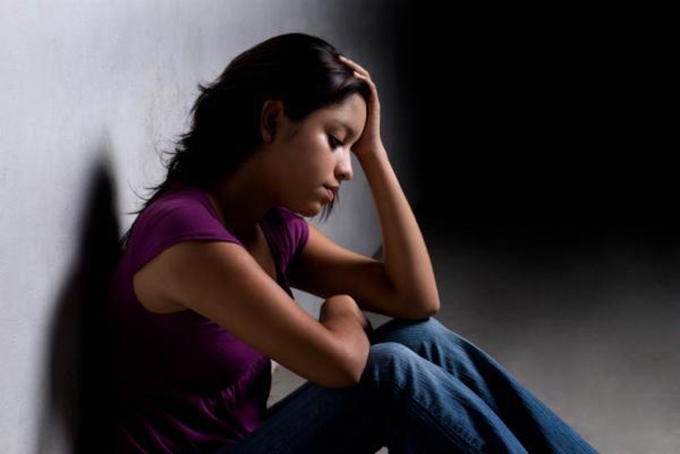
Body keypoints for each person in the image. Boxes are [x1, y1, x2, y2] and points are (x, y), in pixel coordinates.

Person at [104, 32, 600, 454]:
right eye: (336, 140)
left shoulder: (267, 226)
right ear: (272, 121)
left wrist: (373, 151)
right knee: (391, 374)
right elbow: (341, 365)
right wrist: (341, 304)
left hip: (250, 442)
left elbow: (415, 299)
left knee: (421, 339)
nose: (346, 168)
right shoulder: (189, 238)